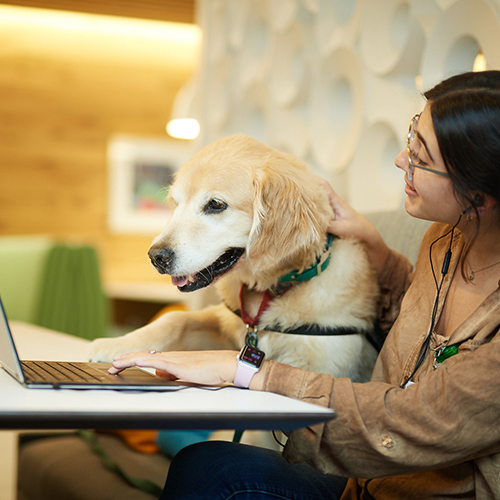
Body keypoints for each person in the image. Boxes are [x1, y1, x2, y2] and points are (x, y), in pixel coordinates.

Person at [109, 71, 500, 499]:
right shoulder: (444, 240)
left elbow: (417, 421)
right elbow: (416, 322)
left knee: (212, 470)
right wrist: (377, 248)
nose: (400, 160)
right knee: (203, 461)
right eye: (412, 134)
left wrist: (245, 372)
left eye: (421, 155)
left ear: (479, 195)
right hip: (363, 485)